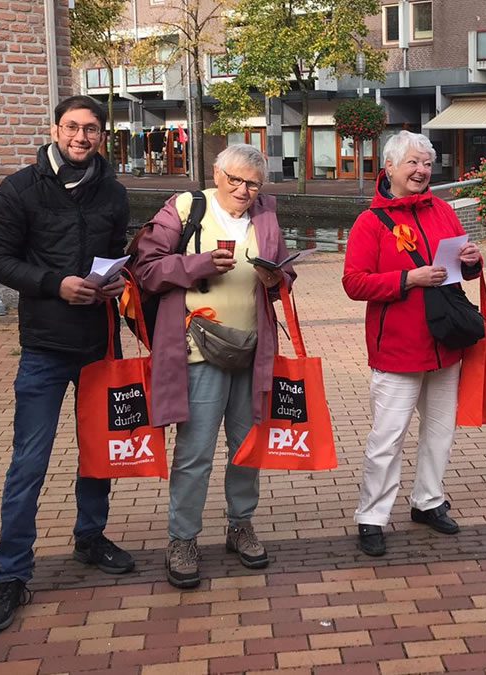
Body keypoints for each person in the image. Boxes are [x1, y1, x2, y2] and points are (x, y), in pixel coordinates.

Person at [0, 95, 133, 633]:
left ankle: (90, 538)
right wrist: (54, 284)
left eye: (91, 129)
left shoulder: (112, 192)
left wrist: (115, 282)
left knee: (99, 454)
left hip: (98, 343)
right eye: (73, 127)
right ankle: (11, 575)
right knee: (29, 463)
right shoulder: (19, 188)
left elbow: (119, 255)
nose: (81, 137)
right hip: (44, 347)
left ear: (101, 136)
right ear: (55, 129)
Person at [132, 144, 294, 589]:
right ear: (216, 173)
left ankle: (240, 524)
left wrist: (276, 277)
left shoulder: (265, 216)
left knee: (246, 446)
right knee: (195, 451)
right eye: (235, 180)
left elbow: (282, 277)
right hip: (197, 349)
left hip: (251, 348)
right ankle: (182, 538)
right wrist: (197, 264)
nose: (243, 190)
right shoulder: (187, 207)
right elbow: (145, 268)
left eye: (253, 184)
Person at [342, 131, 483, 557]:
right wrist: (408, 279)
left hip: (446, 342)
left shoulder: (442, 210)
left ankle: (428, 500)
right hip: (398, 349)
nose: (422, 171)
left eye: (426, 163)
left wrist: (472, 262)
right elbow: (354, 282)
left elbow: (460, 269)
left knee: (439, 432)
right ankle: (372, 516)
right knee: (387, 438)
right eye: (413, 163)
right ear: (390, 169)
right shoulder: (370, 222)